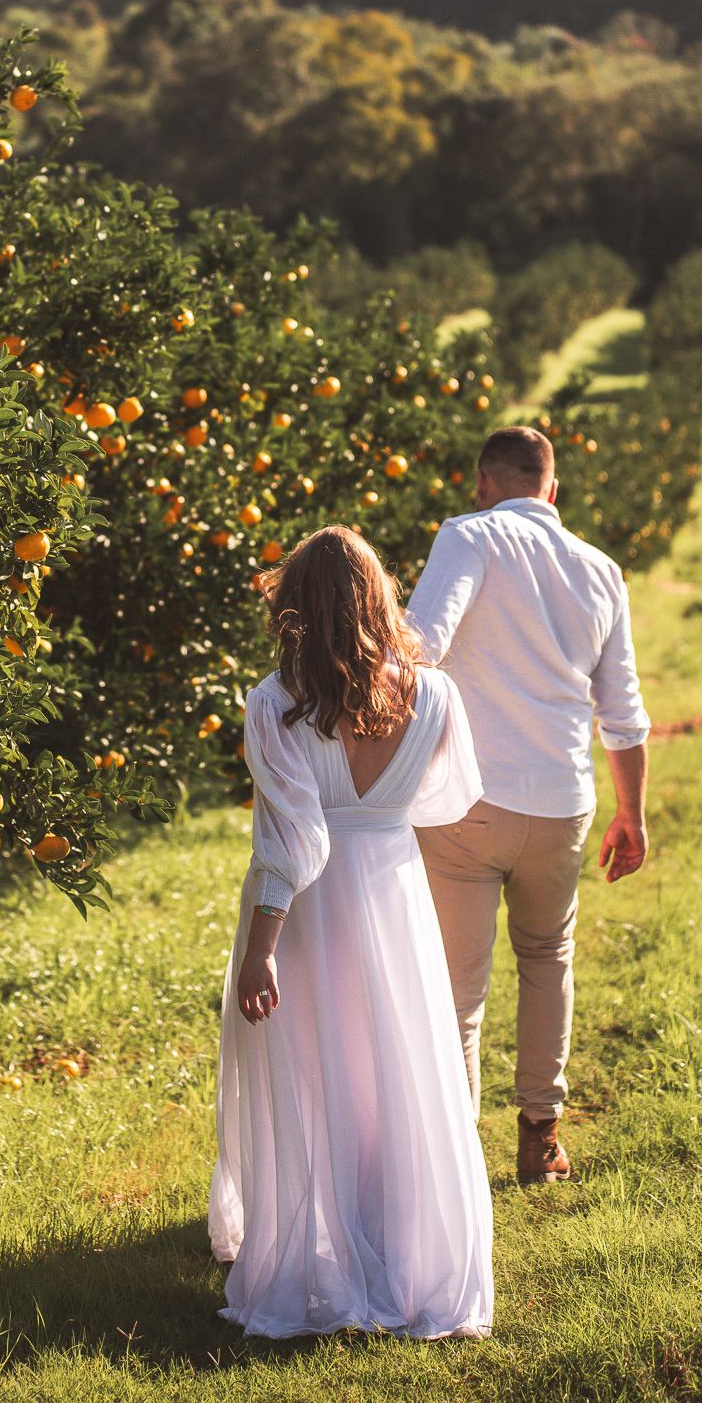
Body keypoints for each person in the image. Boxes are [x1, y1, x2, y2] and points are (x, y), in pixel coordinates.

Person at [209, 525, 493, 1342]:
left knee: (314, 1071)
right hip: (394, 891)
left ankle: (321, 1253)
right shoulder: (435, 696)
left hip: (307, 912)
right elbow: (449, 800)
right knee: (393, 1067)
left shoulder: (275, 704)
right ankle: (404, 1256)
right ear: (380, 598)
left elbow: (290, 841)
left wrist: (260, 947)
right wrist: (381, 812)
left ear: (293, 606)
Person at [407, 425, 651, 1186]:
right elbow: (623, 712)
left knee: (456, 986)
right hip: (560, 804)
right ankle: (540, 1139)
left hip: (464, 804)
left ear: (481, 482)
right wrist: (631, 814)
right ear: (553, 490)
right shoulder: (601, 569)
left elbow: (419, 646)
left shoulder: (468, 536)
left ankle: (450, 1160)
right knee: (547, 960)